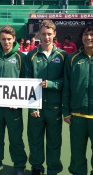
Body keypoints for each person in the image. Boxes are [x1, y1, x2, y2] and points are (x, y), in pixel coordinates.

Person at [26, 20, 67, 175]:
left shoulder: (63, 56)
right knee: (35, 140)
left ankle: (53, 169)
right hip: (36, 107)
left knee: (54, 142)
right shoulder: (31, 55)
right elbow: (26, 83)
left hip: (54, 107)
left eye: (49, 34)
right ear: (39, 34)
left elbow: (65, 83)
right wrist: (32, 106)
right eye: (43, 34)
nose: (46, 37)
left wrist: (50, 84)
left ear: (54, 34)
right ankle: (37, 167)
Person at [0, 25, 27, 175]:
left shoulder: (21, 57)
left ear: (14, 39)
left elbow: (26, 82)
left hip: (14, 108)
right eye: (3, 39)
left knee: (16, 138)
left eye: (9, 39)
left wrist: (19, 101)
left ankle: (19, 165)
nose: (6, 42)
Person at [62, 25, 93, 175]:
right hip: (78, 116)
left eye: (92, 34)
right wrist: (66, 112)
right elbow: (66, 86)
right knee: (77, 155)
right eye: (86, 34)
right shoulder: (72, 58)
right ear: (81, 38)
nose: (89, 38)